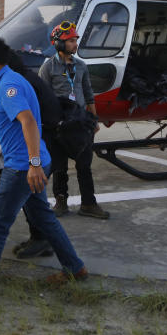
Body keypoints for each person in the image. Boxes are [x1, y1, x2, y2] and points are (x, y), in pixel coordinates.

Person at [0, 35, 87, 301]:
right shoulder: (8, 81)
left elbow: (29, 122)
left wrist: (33, 164)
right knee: (43, 216)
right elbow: (7, 119)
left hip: (24, 166)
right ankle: (75, 268)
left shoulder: (9, 85)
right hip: (30, 161)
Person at [38, 22, 109, 219]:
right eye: (70, 41)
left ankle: (88, 204)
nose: (74, 44)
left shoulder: (82, 66)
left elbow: (88, 94)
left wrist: (93, 120)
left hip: (81, 122)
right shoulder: (48, 67)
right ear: (58, 43)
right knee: (59, 166)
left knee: (84, 165)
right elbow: (43, 97)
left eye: (75, 40)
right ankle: (61, 202)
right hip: (60, 125)